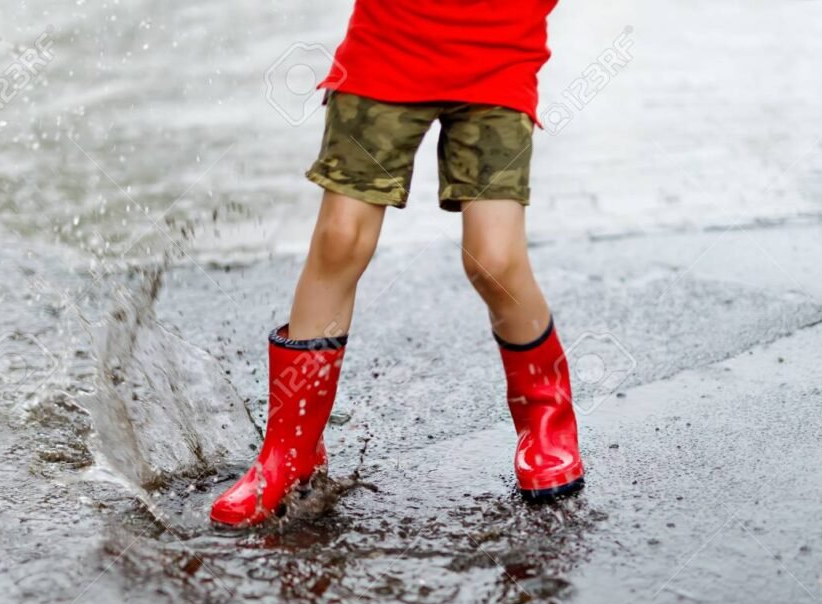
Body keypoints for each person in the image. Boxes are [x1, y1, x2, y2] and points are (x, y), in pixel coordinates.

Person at [210, 0, 583, 526]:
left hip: (501, 51)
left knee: (494, 258)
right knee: (340, 240)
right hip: (388, 44)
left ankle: (547, 420)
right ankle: (289, 451)